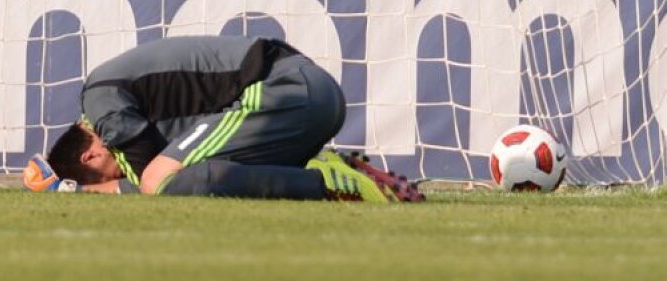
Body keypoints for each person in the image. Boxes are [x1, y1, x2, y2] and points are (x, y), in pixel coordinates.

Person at [24, 34, 421, 202]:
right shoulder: (125, 103)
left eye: (114, 173)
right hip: (309, 96)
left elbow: (149, 180)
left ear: (90, 156)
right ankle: (323, 168)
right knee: (191, 175)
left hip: (282, 89)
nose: (121, 174)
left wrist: (79, 192)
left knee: (159, 181)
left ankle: (327, 184)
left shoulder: (98, 101)